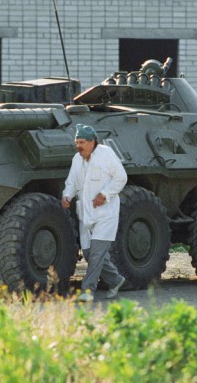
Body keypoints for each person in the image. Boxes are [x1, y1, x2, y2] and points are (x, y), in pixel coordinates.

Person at [62, 123, 128, 302]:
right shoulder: (77, 159)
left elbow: (121, 177)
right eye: (77, 142)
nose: (79, 146)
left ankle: (87, 291)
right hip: (85, 214)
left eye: (82, 142)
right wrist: (67, 196)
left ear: (92, 142)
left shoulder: (106, 154)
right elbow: (72, 182)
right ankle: (116, 280)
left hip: (106, 214)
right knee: (91, 254)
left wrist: (104, 195)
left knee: (97, 254)